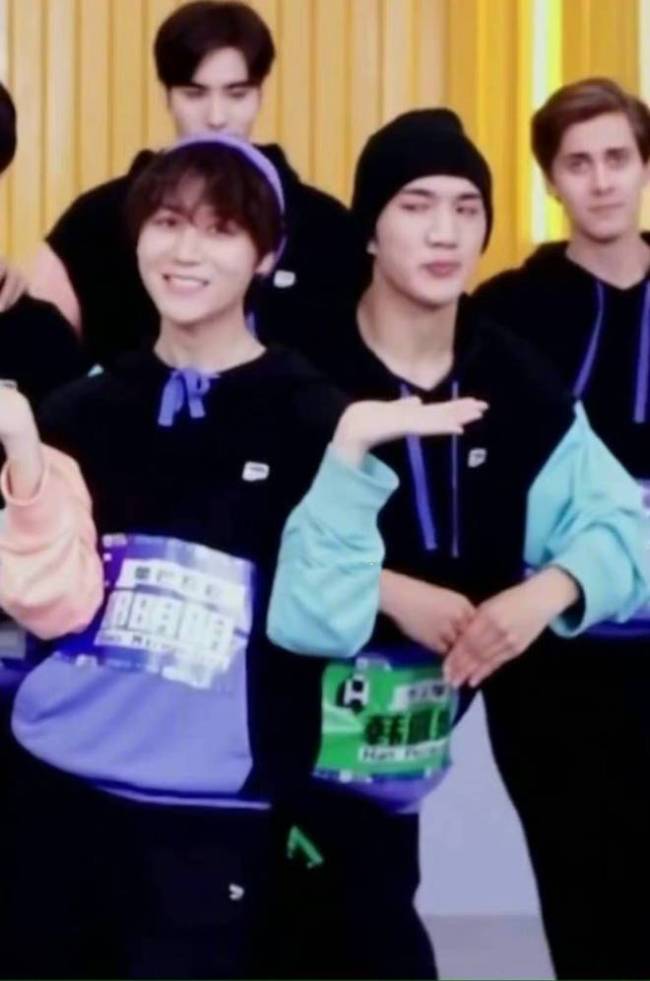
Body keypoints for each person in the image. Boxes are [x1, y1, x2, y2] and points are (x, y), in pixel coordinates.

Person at [0, 132, 483, 981]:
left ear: (266, 255)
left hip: (220, 820)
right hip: (54, 796)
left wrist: (348, 460)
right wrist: (27, 461)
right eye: (168, 222)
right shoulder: (80, 409)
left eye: (221, 229)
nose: (186, 251)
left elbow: (321, 623)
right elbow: (48, 598)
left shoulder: (315, 414)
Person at [266, 108, 650, 981]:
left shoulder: (511, 373)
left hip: (403, 742)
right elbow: (242, 531)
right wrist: (389, 590)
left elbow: (621, 525)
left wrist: (546, 591)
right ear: (370, 230)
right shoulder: (301, 367)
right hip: (275, 736)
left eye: (467, 208)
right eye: (416, 205)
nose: (445, 232)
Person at [473, 78, 650, 980]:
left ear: (645, 166)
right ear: (549, 180)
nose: (602, 181)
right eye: (579, 163)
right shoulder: (505, 310)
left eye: (618, 158)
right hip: (557, 659)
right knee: (583, 887)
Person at [28, 0, 354, 368]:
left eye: (237, 94)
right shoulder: (95, 220)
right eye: (194, 94)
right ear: (167, 95)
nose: (216, 117)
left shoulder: (325, 225)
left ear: (260, 94)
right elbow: (37, 350)